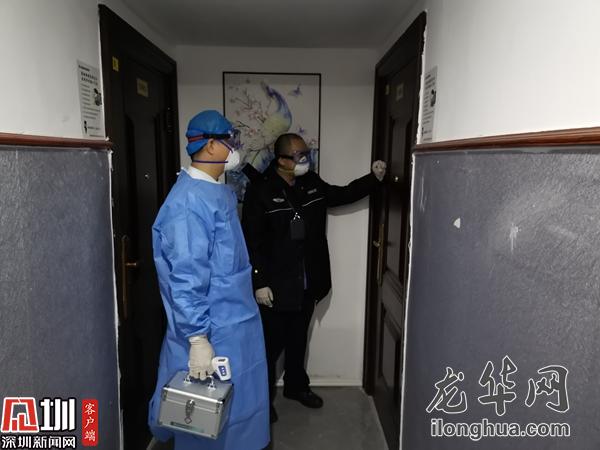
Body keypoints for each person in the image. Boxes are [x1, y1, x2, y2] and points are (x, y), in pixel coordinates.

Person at [241, 133, 386, 422]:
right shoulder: (260, 191)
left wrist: (374, 179)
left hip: (309, 281)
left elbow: (342, 194)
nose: (306, 159)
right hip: (277, 285)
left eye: (306, 153)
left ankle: (296, 386)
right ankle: (262, 400)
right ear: (281, 160)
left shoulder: (312, 183)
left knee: (298, 339)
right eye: (299, 156)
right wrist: (259, 282)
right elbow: (251, 242)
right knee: (270, 346)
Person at [148, 110, 270, 450]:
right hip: (211, 330)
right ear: (212, 145)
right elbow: (186, 278)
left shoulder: (218, 191)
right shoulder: (188, 204)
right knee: (206, 419)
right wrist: (198, 339)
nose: (235, 148)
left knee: (240, 408)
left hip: (235, 324)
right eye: (230, 140)